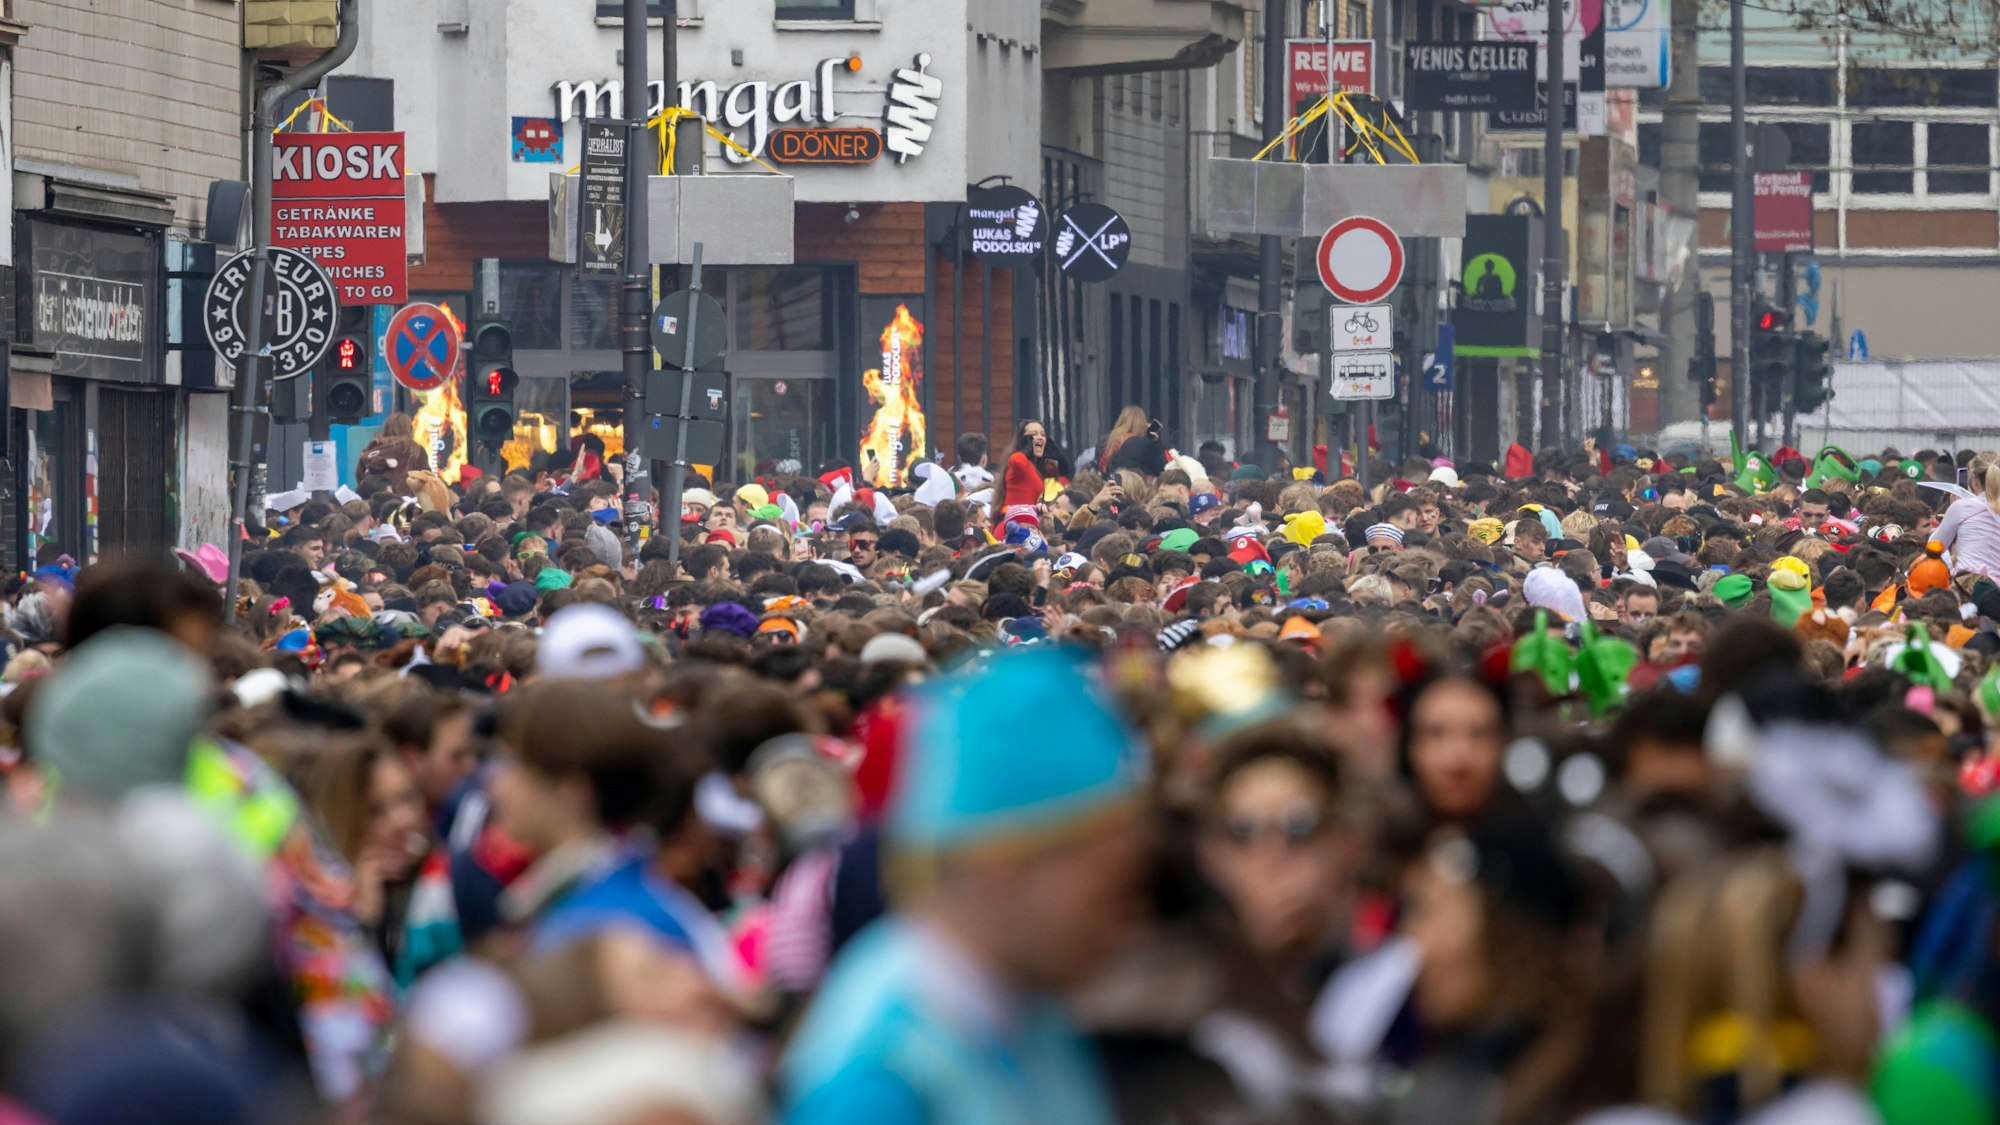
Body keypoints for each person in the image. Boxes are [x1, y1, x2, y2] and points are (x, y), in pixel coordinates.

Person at [781, 647, 1150, 1123]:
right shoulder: (885, 1085)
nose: (1130, 919)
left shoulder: (1023, 1003)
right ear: (1002, 867)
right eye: (1108, 891)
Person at [356, 413, 433, 494]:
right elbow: (426, 479)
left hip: (374, 499)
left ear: (386, 428)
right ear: (409, 429)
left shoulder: (372, 449)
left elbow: (360, 479)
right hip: (404, 499)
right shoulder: (415, 449)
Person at [997, 419, 1049, 534]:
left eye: (1043, 434)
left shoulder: (1030, 465)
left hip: (1025, 523)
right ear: (1024, 440)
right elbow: (1016, 460)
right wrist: (1026, 449)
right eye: (1034, 434)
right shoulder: (1019, 463)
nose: (1040, 437)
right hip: (1013, 524)